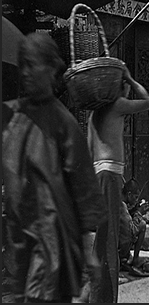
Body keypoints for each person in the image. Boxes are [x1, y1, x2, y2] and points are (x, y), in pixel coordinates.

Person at [3, 32, 105, 302]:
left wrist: (88, 250)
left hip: (51, 240)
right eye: (22, 64)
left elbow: (83, 187)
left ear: (51, 70)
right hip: (18, 237)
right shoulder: (12, 115)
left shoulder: (64, 124)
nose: (25, 72)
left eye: (32, 64)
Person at [86, 64, 149, 302]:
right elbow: (148, 102)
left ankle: (93, 293)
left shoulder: (94, 114)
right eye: (124, 86)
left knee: (104, 236)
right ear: (120, 86)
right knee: (112, 235)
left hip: (98, 174)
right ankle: (106, 297)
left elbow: (88, 151)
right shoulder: (117, 104)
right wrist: (131, 79)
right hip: (111, 174)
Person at [118, 179, 149, 278]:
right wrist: (139, 212)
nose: (136, 200)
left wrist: (135, 208)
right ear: (129, 195)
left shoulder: (121, 203)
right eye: (135, 197)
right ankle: (134, 259)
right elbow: (132, 231)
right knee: (142, 225)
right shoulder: (121, 207)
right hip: (119, 245)